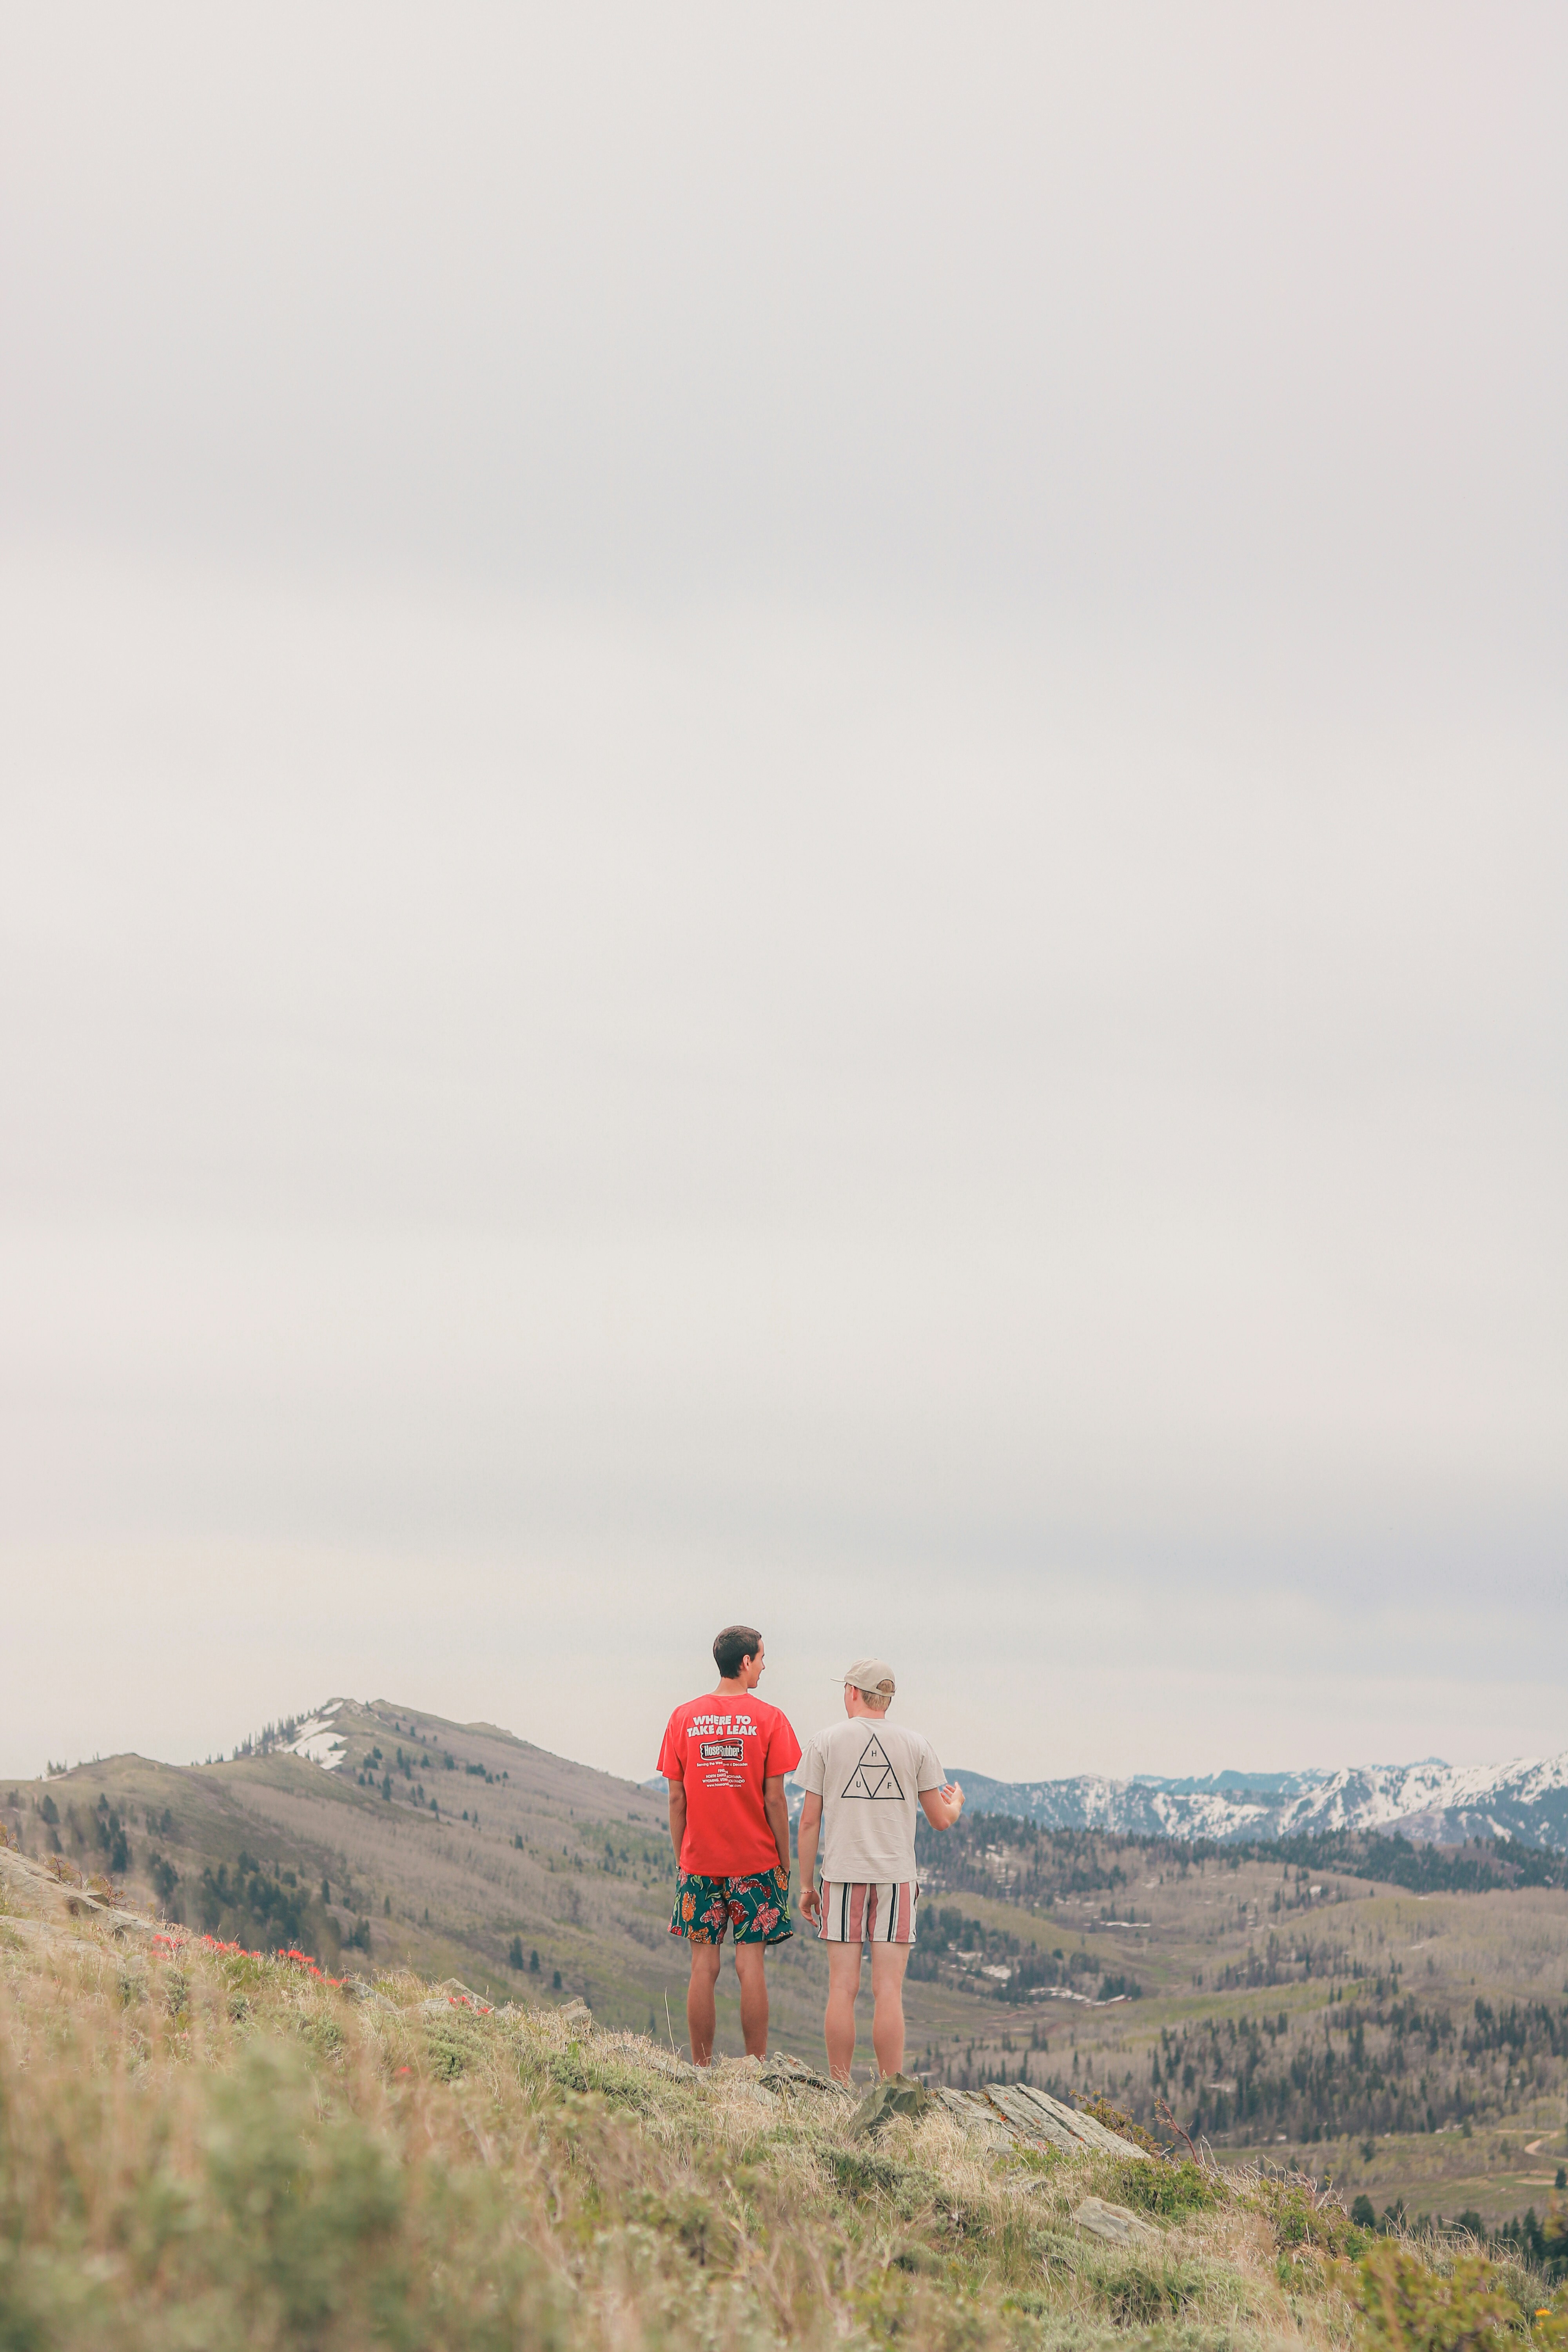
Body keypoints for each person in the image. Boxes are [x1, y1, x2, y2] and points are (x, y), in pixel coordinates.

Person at [797, 1658, 963, 2082]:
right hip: (896, 1878)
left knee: (842, 1988)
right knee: (888, 1991)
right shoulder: (916, 1744)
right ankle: (891, 2091)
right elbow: (940, 1819)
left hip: (841, 1876)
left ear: (852, 1692)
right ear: (887, 1698)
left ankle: (838, 2085)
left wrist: (805, 1885)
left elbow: (809, 1821)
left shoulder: (824, 1742)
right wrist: (956, 1804)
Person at [657, 1624, 802, 2065]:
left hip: (699, 1861)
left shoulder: (683, 1717)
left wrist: (685, 1855)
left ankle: (701, 2067)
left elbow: (677, 1797)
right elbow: (775, 1798)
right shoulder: (771, 1719)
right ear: (745, 1663)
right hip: (756, 1860)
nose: (764, 1665)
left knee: (703, 1966)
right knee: (749, 1966)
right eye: (761, 1658)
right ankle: (755, 2067)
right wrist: (785, 1859)